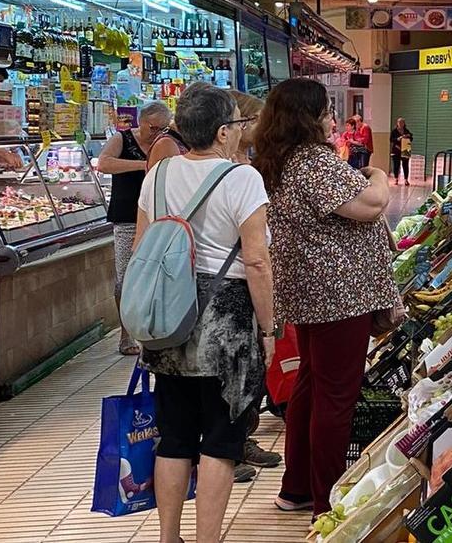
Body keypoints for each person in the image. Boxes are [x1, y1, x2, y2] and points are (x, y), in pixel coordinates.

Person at [133, 85, 276, 543]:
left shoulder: (157, 174)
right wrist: (268, 329)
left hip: (168, 315)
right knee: (220, 439)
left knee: (174, 435)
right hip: (227, 318)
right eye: (236, 123)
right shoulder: (242, 178)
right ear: (220, 132)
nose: (239, 131)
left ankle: (168, 537)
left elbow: (140, 251)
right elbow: (256, 261)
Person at [252, 78, 398, 517]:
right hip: (340, 295)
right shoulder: (313, 161)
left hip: (309, 293)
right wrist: (378, 174)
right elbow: (369, 204)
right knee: (336, 396)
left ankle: (296, 487)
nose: (333, 119)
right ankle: (327, 501)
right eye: (326, 111)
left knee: (311, 386)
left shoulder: (277, 161)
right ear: (309, 117)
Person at [225, 90, 284, 482]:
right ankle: (226, 449)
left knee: (249, 373)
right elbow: (253, 251)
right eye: (257, 119)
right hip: (232, 282)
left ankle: (240, 440)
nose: (263, 126)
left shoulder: (249, 163)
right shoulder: (231, 170)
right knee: (233, 371)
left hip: (247, 277)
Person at [97, 101, 171, 356]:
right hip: (127, 217)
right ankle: (126, 334)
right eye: (153, 127)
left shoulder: (166, 143)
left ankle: (154, 328)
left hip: (158, 217)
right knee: (126, 277)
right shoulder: (123, 139)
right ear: (142, 122)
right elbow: (103, 163)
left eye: (162, 128)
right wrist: (143, 165)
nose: (157, 133)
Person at [390, 117, 413, 185]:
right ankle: (396, 179)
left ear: (404, 123)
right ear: (397, 123)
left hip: (405, 149)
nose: (400, 124)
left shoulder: (406, 131)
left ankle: (406, 179)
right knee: (396, 165)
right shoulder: (394, 131)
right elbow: (391, 140)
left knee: (405, 165)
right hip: (396, 149)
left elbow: (411, 138)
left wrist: (407, 136)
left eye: (402, 122)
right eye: (399, 122)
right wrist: (398, 139)